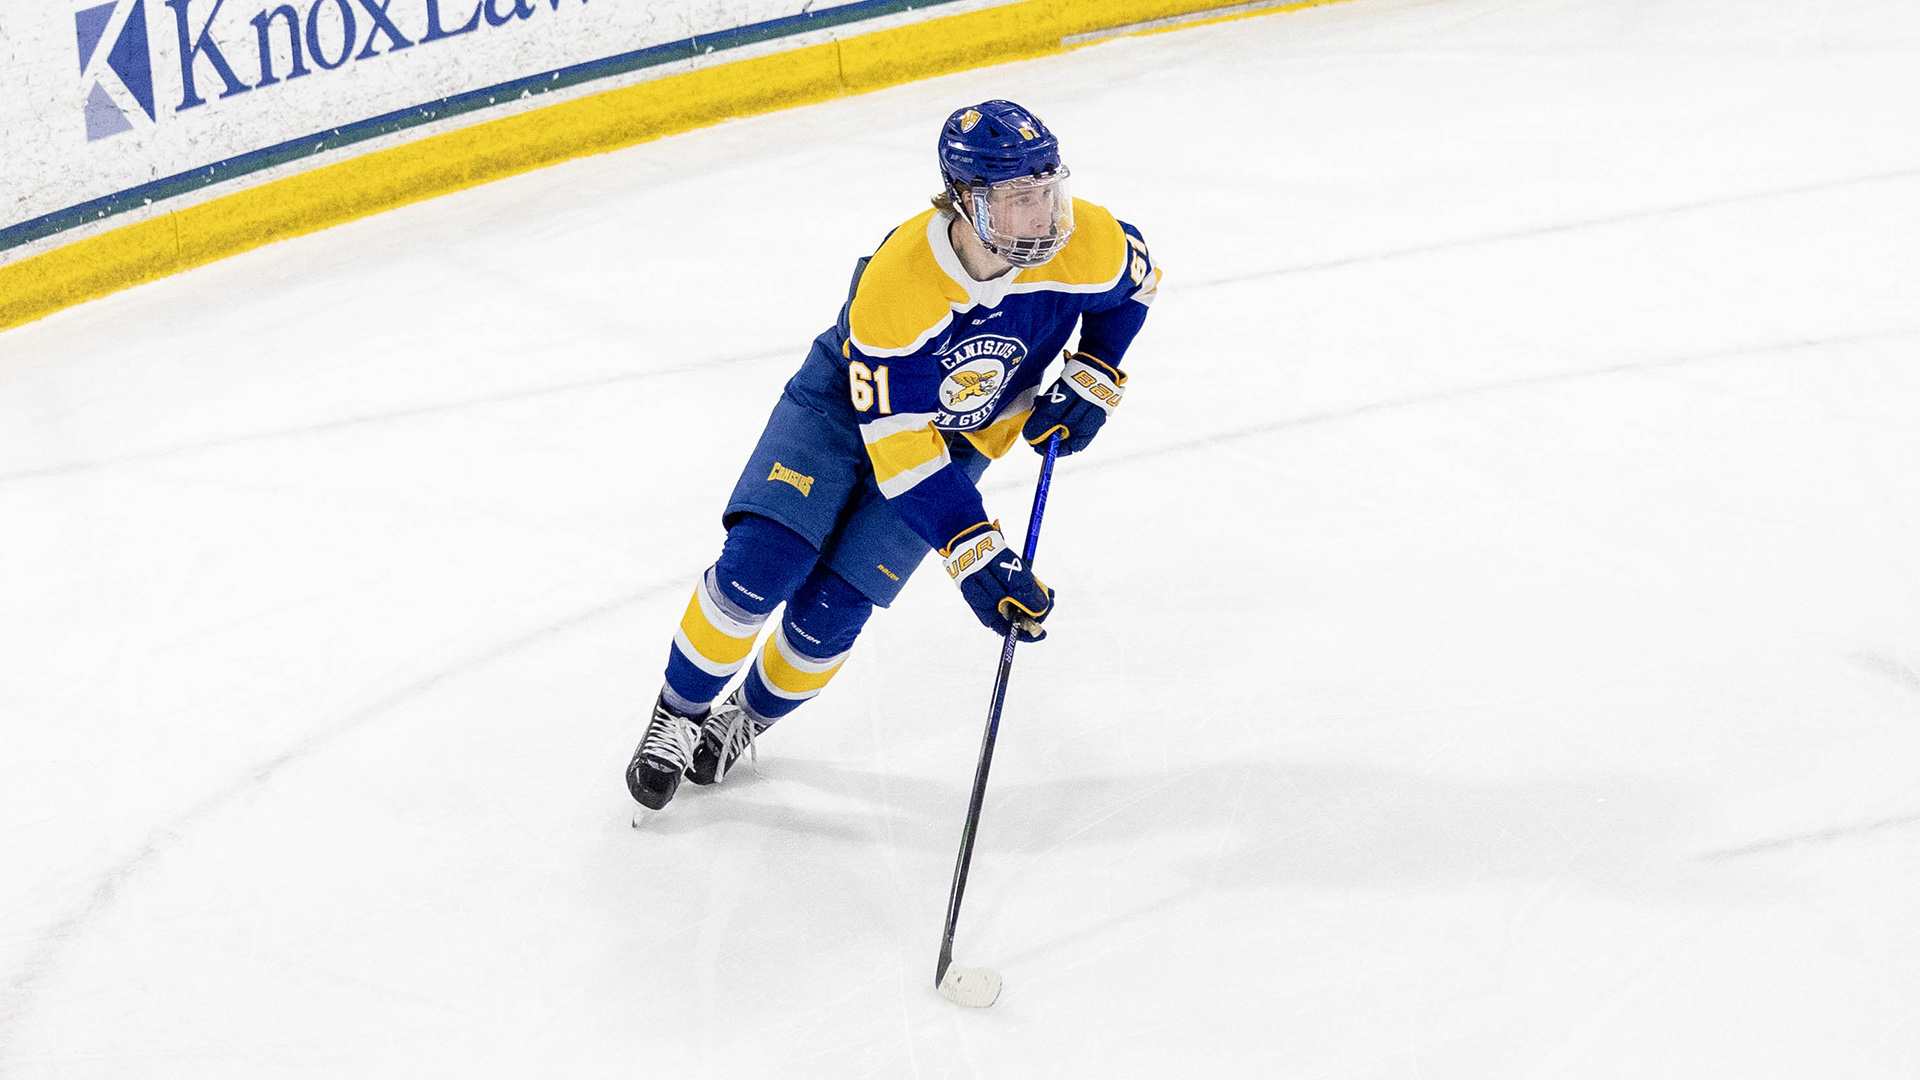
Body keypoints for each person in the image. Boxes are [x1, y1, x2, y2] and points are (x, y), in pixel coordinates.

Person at [625, 99, 1160, 812]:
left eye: (1046, 192)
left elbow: (1139, 286)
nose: (1042, 218)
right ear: (967, 202)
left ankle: (744, 717)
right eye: (1016, 200)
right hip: (842, 415)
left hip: (962, 434)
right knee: (765, 562)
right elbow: (900, 451)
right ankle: (678, 711)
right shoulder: (901, 281)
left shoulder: (1084, 238)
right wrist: (974, 551)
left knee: (834, 610)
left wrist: (1097, 370)